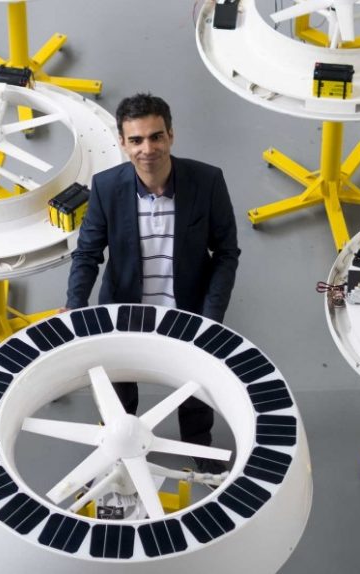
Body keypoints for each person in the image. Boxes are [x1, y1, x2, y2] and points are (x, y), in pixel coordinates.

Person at [64, 93, 240, 473]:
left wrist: (211, 317)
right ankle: (119, 450)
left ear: (171, 135)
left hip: (188, 310)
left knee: (196, 389)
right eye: (137, 140)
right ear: (123, 142)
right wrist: (75, 307)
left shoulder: (208, 181)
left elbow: (226, 252)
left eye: (156, 137)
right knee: (118, 392)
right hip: (125, 309)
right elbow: (87, 253)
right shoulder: (106, 187)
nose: (148, 149)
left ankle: (200, 450)